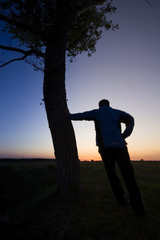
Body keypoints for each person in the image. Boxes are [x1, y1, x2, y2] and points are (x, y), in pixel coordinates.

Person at [70, 99, 145, 216]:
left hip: (105, 148)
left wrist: (68, 116)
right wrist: (124, 135)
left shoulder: (96, 112)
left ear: (100, 106)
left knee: (112, 174)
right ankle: (139, 210)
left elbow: (82, 115)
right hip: (120, 147)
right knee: (129, 176)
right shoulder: (117, 112)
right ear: (108, 104)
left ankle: (122, 200)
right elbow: (131, 119)